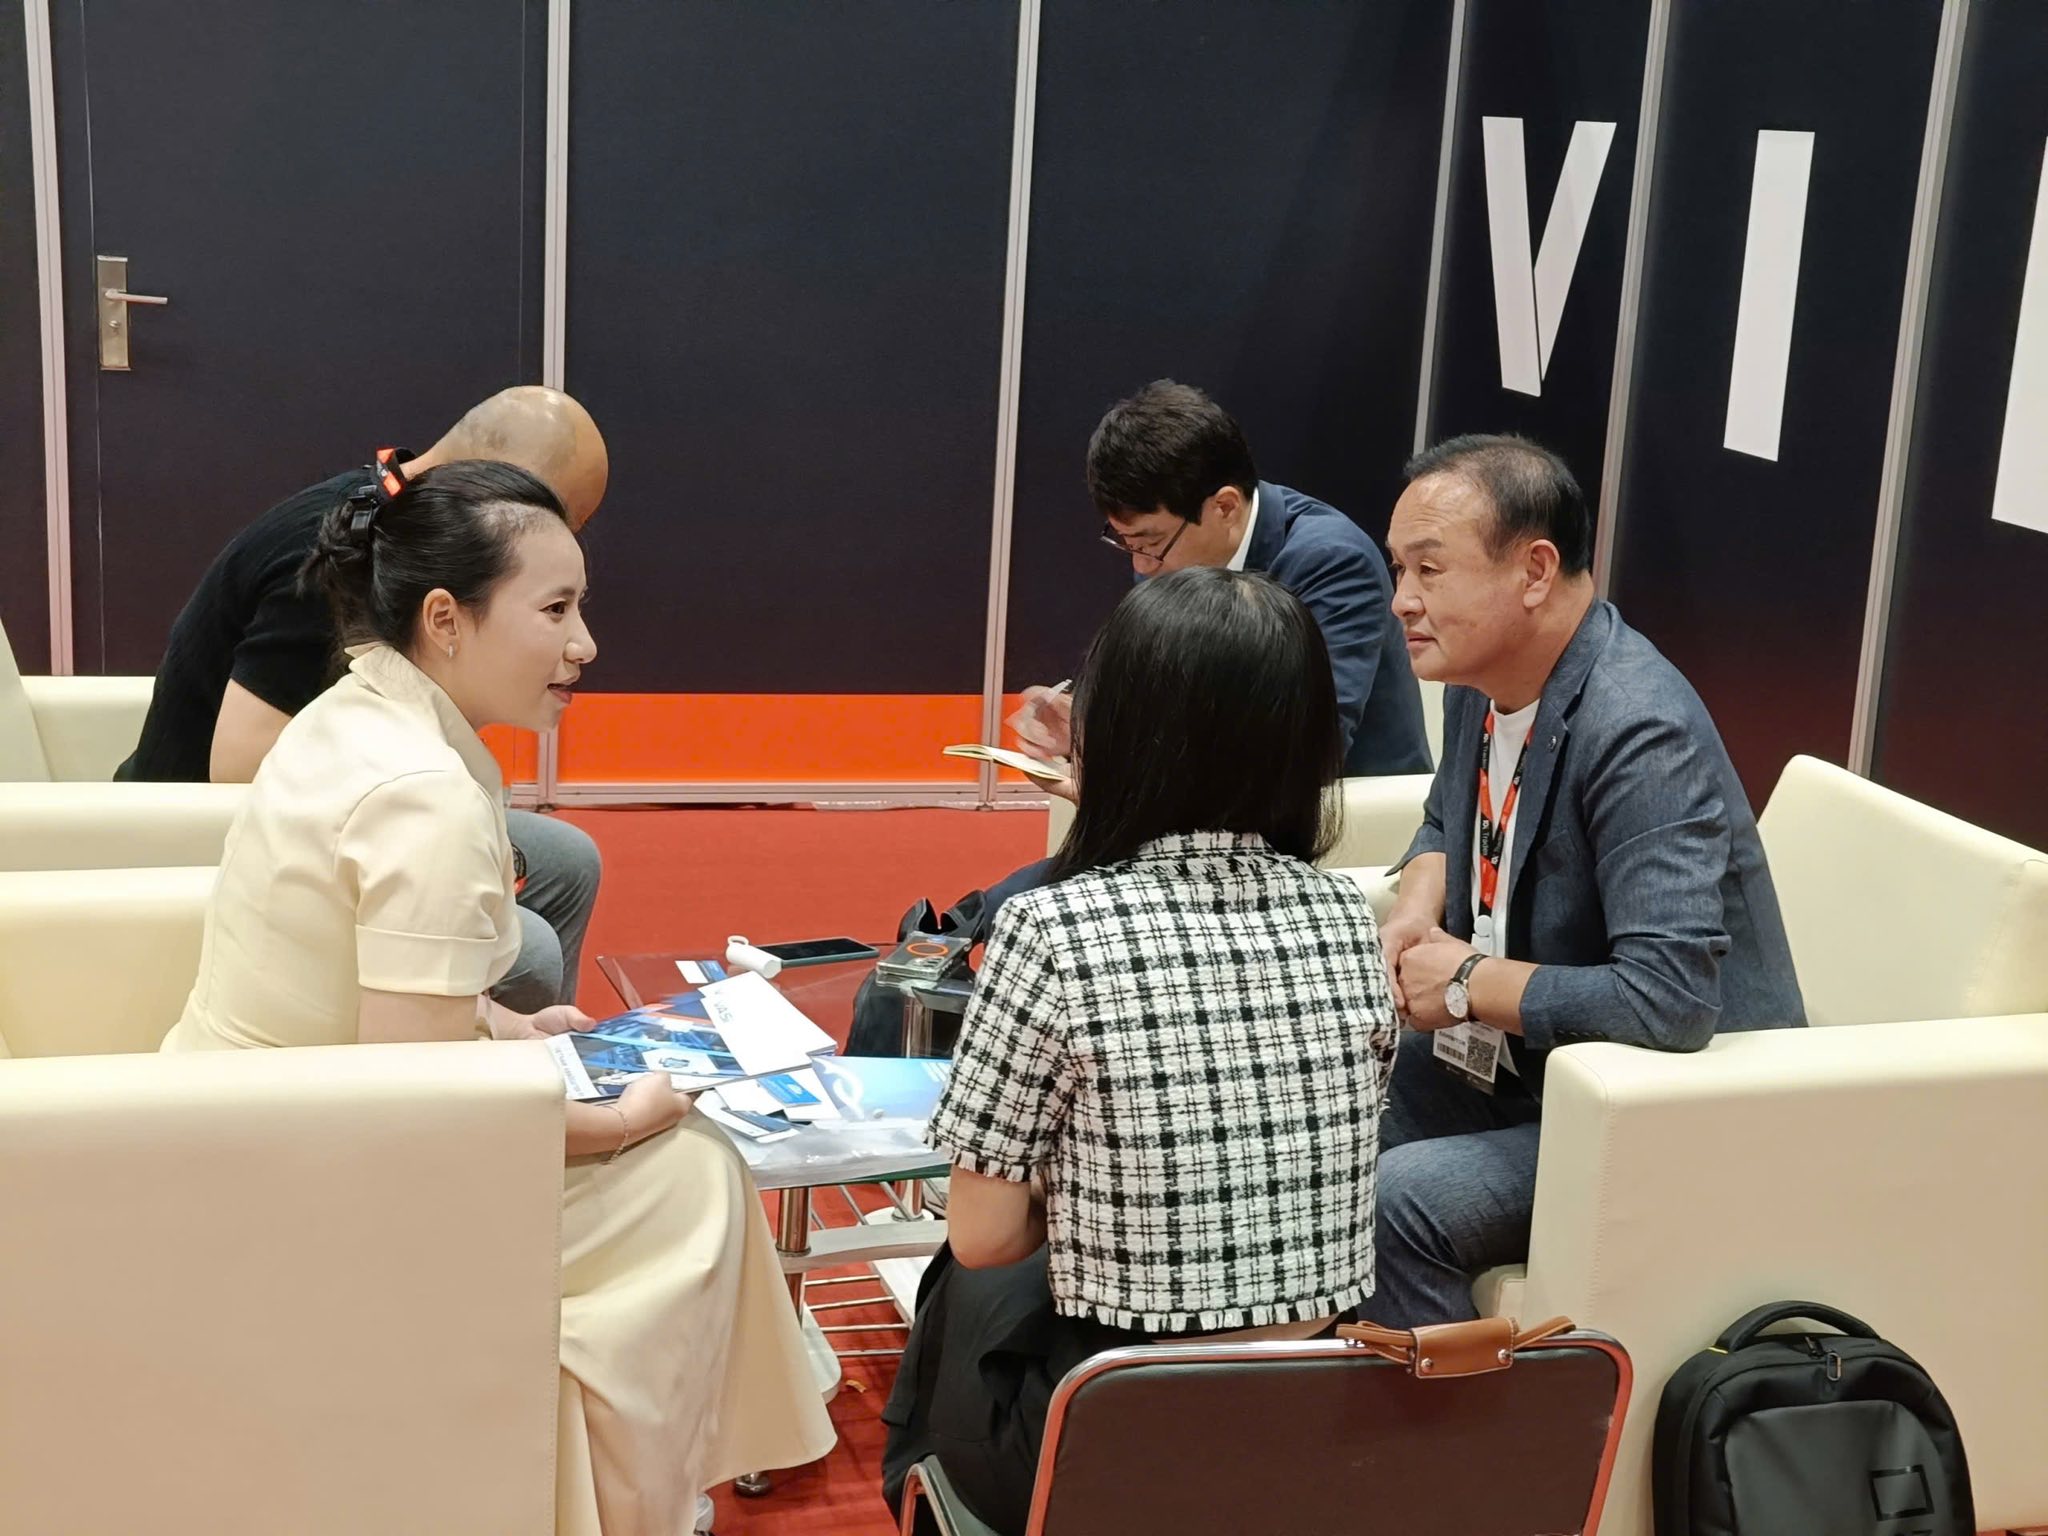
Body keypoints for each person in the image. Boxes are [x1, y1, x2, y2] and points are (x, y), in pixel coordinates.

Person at [161, 460, 833, 1534]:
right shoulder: (423, 792)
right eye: (556, 610)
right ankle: (616, 1497)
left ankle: (620, 1478)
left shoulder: (360, 708)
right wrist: (617, 1121)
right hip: (301, 1179)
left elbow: (379, 997)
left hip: (244, 1117)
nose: (585, 644)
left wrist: (510, 1022)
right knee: (694, 1177)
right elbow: (424, 1105)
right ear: (445, 619)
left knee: (678, 1165)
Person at [881, 567, 1401, 1535]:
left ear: (1117, 733)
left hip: (1110, 1430)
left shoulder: (1050, 927)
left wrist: (1089, 1200)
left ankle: (923, 1492)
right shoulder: (1347, 915)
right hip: (1308, 1415)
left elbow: (984, 1235)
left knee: (961, 1286)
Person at [1369, 434, 1806, 1328]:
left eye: (1429, 570)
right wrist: (1417, 908)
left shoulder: (1639, 729)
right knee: (1320, 1094)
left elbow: (1669, 1000)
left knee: (1400, 1199)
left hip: (1663, 1106)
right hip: (1533, 1063)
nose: (1402, 599)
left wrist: (1465, 981)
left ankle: (1463, 1423)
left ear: (1534, 571)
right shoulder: (1479, 676)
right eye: (1398, 568)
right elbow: (1450, 817)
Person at [117, 386, 607, 1013]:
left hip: (352, 794)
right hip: (208, 821)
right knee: (528, 949)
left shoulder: (378, 512)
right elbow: (238, 766)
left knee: (568, 861)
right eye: (553, 519)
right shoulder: (332, 563)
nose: (561, 541)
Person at [1010, 379, 1432, 792]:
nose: (1141, 564)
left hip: (1351, 806)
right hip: (1214, 795)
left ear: (1225, 506)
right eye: (1128, 543)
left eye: (1151, 543)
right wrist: (1081, 718)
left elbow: (1311, 748)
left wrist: (1137, 779)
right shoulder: (1167, 550)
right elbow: (1146, 679)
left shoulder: (1331, 563)